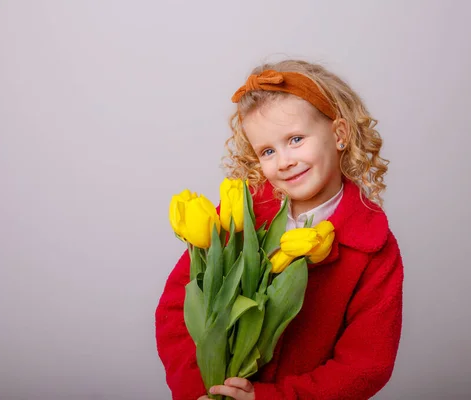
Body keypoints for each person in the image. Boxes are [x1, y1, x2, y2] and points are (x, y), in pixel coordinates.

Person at [155, 59, 404, 400]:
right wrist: (199, 389)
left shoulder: (373, 249)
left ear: (339, 134)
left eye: (296, 139)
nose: (284, 161)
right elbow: (176, 309)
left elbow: (366, 365)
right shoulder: (239, 217)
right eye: (268, 151)